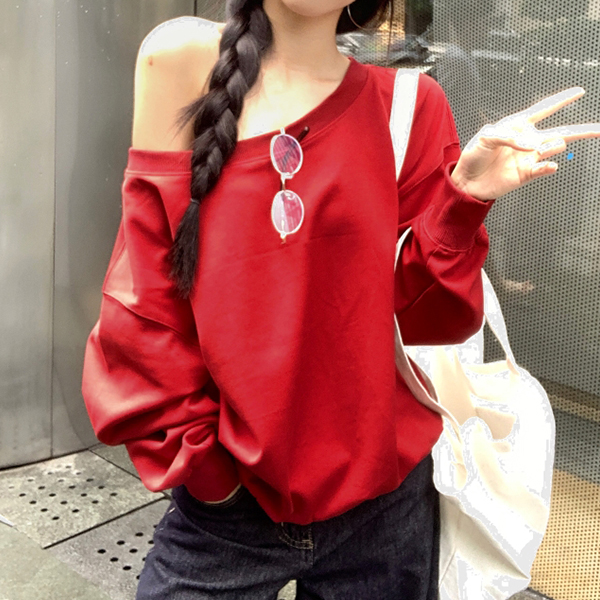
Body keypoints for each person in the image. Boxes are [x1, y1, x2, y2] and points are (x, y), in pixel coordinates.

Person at [81, 1, 600, 598]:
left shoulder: (409, 104)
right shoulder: (181, 57)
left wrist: (463, 200)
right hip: (228, 509)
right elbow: (145, 301)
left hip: (386, 508)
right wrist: (209, 479)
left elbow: (428, 318)